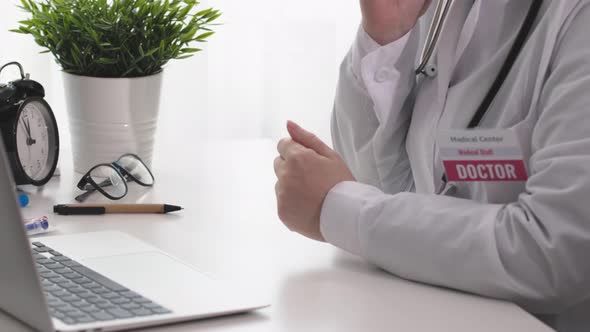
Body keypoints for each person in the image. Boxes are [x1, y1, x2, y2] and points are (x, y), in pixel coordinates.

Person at [273, 0, 590, 331]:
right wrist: (385, 34)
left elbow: (552, 253)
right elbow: (382, 192)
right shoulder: (446, 8)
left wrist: (337, 208)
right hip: (430, 311)